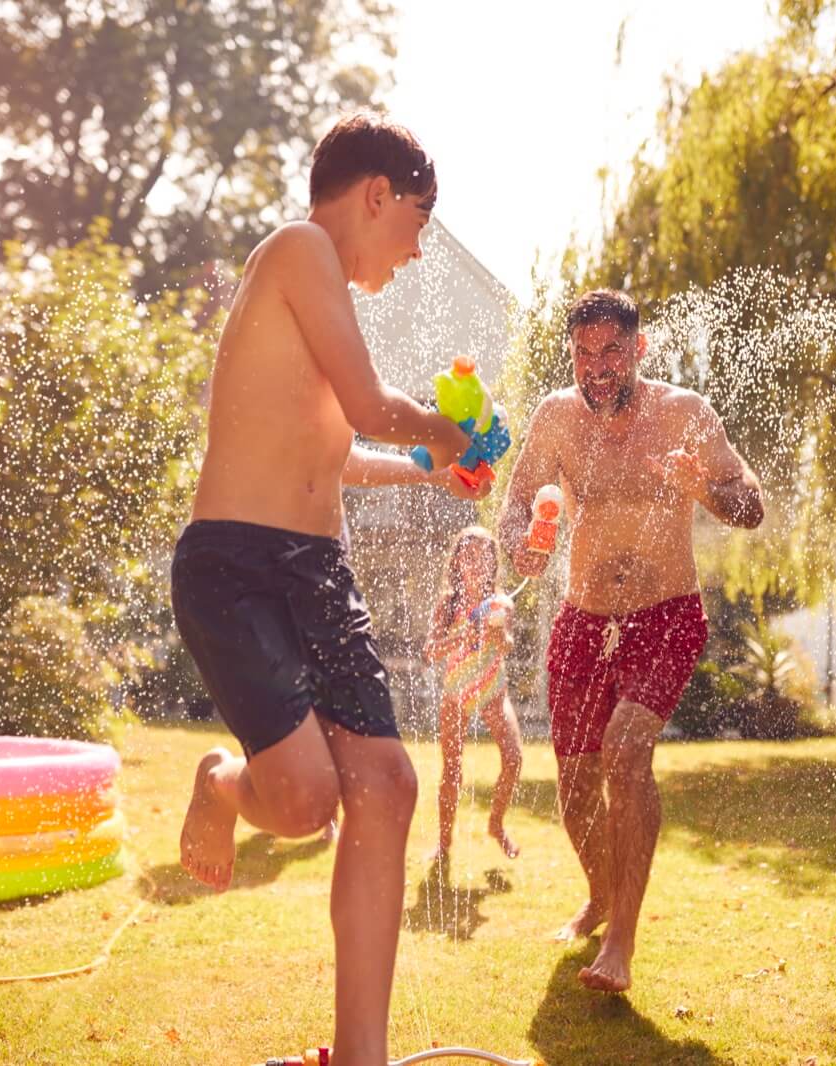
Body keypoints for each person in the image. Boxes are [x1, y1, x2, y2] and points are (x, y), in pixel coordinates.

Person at [170, 110, 484, 1066]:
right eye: (418, 221)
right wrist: (445, 431)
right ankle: (222, 784)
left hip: (316, 571)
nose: (419, 250)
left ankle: (361, 1057)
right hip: (236, 566)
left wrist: (428, 466)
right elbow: (372, 407)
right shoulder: (301, 249)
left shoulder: (322, 302)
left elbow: (337, 452)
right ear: (375, 196)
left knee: (386, 787)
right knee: (304, 802)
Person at [496, 288, 764, 994]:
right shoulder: (556, 418)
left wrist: (701, 486)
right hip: (583, 618)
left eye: (612, 350)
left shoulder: (684, 416)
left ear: (639, 348)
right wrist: (521, 541)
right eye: (584, 354)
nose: (598, 367)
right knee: (577, 783)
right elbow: (515, 500)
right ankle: (600, 894)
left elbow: (751, 505)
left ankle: (620, 942)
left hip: (665, 614)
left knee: (625, 751)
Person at [421, 526, 524, 865]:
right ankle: (444, 843)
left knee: (513, 759)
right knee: (451, 771)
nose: (476, 560)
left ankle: (495, 824)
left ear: (493, 562)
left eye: (484, 554)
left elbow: (506, 642)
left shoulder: (501, 603)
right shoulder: (447, 606)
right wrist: (464, 634)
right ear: (458, 561)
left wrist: (497, 636)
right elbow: (430, 651)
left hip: (493, 692)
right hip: (456, 694)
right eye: (469, 554)